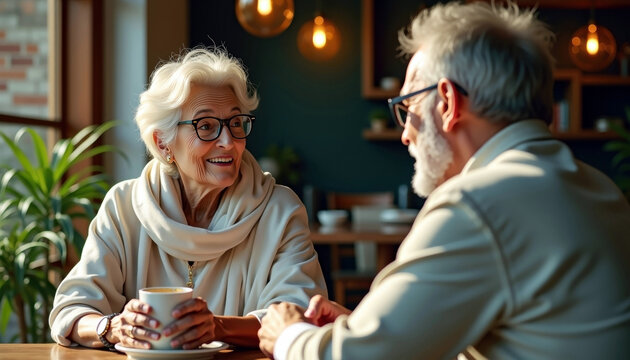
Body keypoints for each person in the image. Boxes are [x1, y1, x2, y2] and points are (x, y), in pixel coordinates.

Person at [257, 2, 630, 359]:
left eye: (408, 108)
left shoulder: (477, 203)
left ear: (448, 102)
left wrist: (288, 334)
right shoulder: (599, 189)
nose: (405, 134)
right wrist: (363, 328)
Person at [49, 47, 327, 351]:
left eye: (236, 123)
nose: (229, 142)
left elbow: (299, 317)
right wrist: (112, 327)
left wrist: (217, 327)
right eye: (206, 126)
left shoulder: (280, 211)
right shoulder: (124, 205)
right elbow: (71, 311)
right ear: (162, 142)